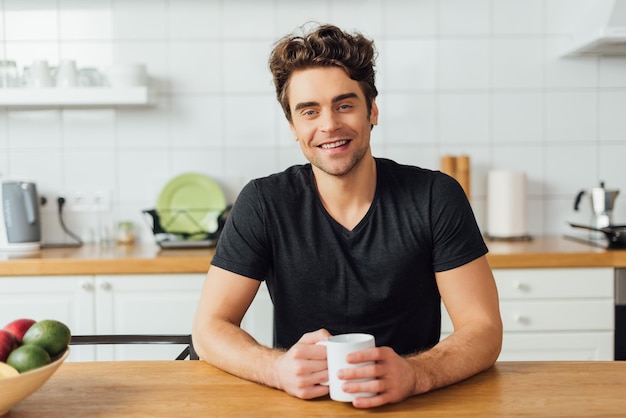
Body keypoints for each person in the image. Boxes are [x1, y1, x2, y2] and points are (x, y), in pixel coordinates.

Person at [192, 23, 502, 409]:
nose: (329, 125)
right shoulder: (263, 202)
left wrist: (417, 375)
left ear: (372, 110)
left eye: (344, 105)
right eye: (309, 111)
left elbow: (484, 330)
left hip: (417, 404)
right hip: (300, 404)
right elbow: (209, 330)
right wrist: (276, 369)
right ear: (292, 126)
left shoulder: (435, 196)